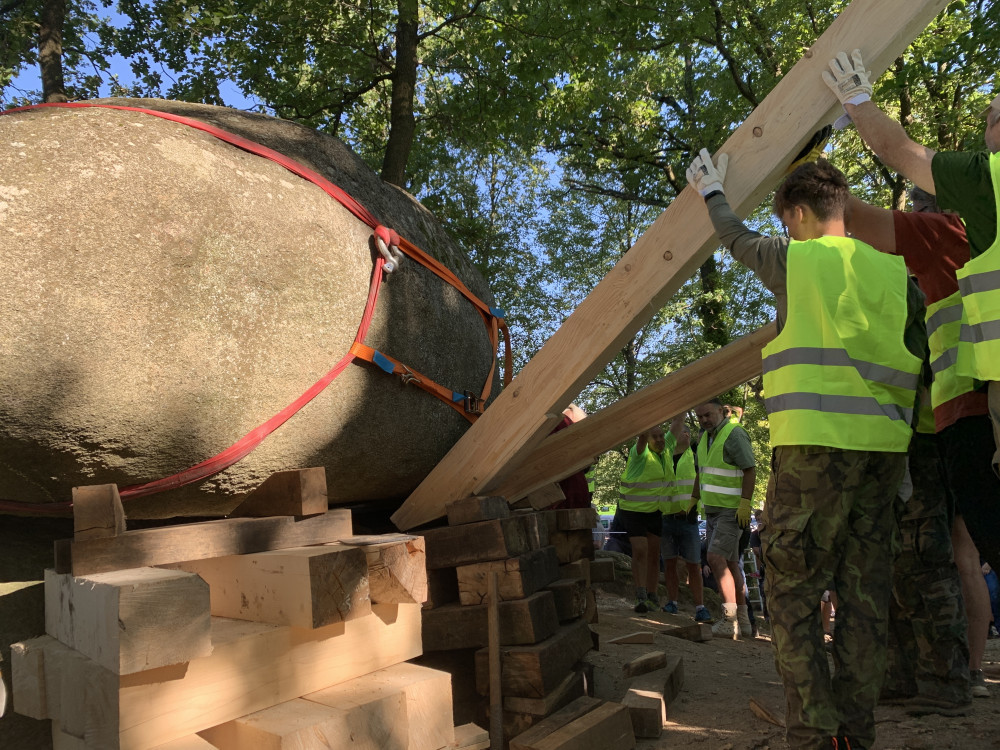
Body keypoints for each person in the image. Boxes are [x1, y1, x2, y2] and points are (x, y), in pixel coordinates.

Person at [687, 154, 924, 749]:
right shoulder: (898, 276)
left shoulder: (797, 259)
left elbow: (736, 238)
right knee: (865, 599)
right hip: (884, 460)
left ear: (797, 214)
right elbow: (923, 369)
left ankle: (815, 737)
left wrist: (712, 189)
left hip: (814, 456)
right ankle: (855, 736)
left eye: (788, 221)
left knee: (792, 591)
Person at [845, 186, 999, 702]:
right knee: (917, 557)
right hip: (920, 432)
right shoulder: (919, 275)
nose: (908, 224)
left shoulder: (935, 263)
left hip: (932, 436)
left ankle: (950, 678)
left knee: (929, 557)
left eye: (915, 213)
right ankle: (919, 674)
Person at [824, 50, 1000, 478]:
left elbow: (862, 200)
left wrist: (853, 108)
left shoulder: (942, 231)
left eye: (992, 120)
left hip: (967, 411)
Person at [692, 398, 756, 638]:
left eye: (707, 415)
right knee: (729, 563)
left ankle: (729, 620)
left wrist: (745, 504)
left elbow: (749, 469)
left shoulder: (734, 433)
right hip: (712, 510)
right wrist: (693, 499)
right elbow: (702, 472)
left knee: (715, 558)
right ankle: (743, 621)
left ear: (722, 411)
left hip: (731, 510)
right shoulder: (704, 437)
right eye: (700, 417)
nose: (704, 420)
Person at [618, 419, 682, 613]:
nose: (660, 439)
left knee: (654, 555)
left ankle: (653, 597)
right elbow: (642, 436)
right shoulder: (640, 453)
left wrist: (683, 405)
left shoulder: (667, 450)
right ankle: (640, 595)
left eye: (662, 435)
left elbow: (678, 423)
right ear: (648, 438)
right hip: (633, 511)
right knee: (640, 550)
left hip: (655, 510)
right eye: (655, 437)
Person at [660, 422, 712, 623]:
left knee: (693, 565)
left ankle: (700, 607)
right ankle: (672, 602)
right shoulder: (664, 457)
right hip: (666, 519)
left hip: (688, 519)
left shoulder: (695, 456)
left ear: (688, 436)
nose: (678, 436)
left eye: (682, 433)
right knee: (670, 564)